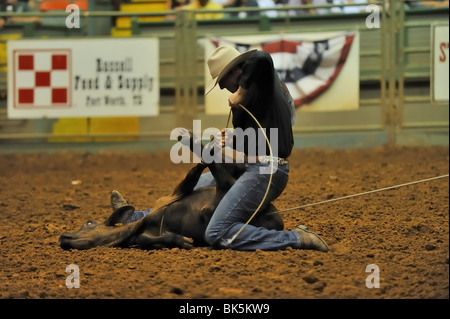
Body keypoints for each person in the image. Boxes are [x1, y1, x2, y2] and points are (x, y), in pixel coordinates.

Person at [195, 45, 329, 251]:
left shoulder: (261, 81)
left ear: (237, 71)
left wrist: (240, 91)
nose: (222, 88)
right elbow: (256, 139)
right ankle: (136, 216)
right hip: (252, 166)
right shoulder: (259, 94)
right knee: (195, 188)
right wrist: (232, 139)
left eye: (222, 81)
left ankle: (295, 239)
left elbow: (262, 57)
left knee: (217, 232)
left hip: (266, 169)